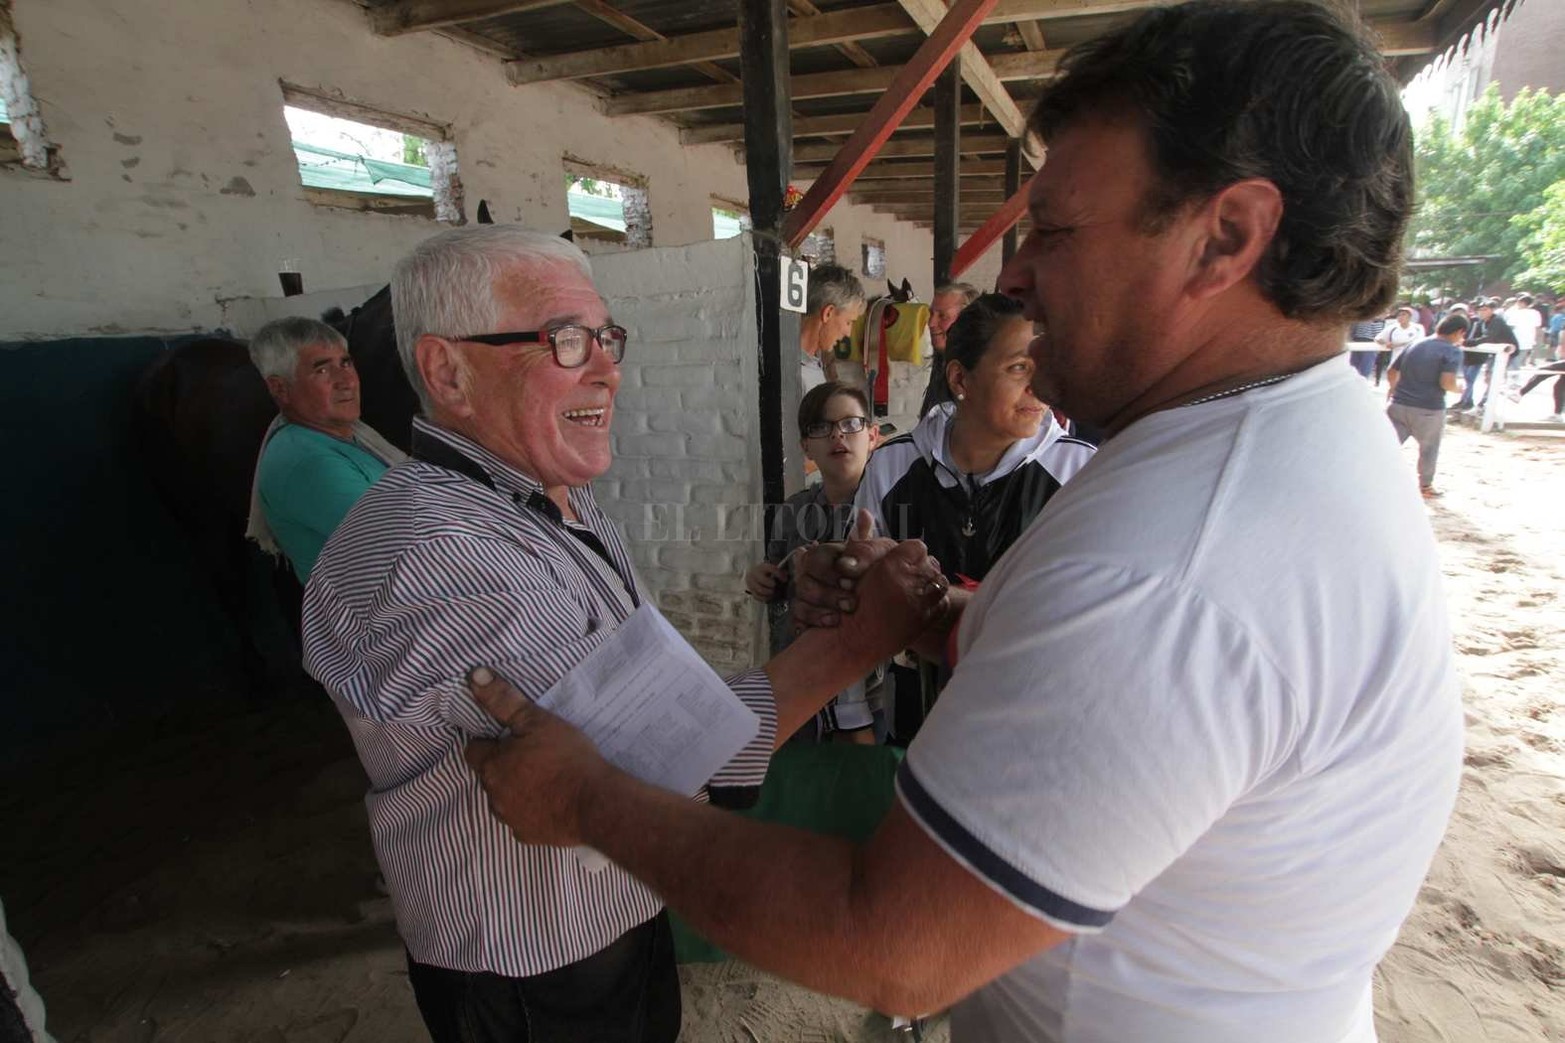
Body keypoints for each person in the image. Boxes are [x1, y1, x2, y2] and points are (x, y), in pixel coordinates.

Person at [461, 4, 1462, 1041]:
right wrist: (954, 619)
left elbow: (891, 943)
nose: (1013, 275)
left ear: (1224, 238)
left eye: (1055, 230)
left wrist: (586, 798)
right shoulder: (1286, 443)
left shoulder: (1168, 569)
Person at [299, 226, 945, 1043]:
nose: (606, 365)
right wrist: (856, 639)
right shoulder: (440, 551)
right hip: (533, 953)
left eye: (607, 337)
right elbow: (670, 756)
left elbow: (650, 689)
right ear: (446, 370)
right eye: (564, 341)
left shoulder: (548, 498)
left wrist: (814, 599)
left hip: (614, 904)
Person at [856, 293, 1095, 741]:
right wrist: (853, 717)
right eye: (1018, 368)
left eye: (1043, 366)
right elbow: (856, 601)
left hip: (1036, 713)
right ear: (960, 377)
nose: (1039, 386)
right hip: (916, 709)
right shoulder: (891, 468)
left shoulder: (1081, 473)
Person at [746, 380, 885, 743]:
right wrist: (761, 580)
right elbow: (776, 577)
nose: (838, 436)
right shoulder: (793, 511)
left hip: (873, 692)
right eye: (822, 428)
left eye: (851, 424)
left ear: (872, 436)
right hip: (800, 684)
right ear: (806, 445)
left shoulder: (889, 506)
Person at [245, 316, 405, 581]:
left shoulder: (349, 438)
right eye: (322, 370)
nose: (347, 381)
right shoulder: (308, 462)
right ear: (280, 388)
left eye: (346, 363)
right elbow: (405, 544)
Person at [1387, 314, 1468, 497]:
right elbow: (1446, 382)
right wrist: (1459, 389)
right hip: (1428, 409)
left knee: (1386, 446)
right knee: (1429, 449)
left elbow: (1391, 371)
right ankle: (1425, 486)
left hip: (1398, 404)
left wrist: (1394, 390)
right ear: (1459, 332)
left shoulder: (1415, 344)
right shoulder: (1452, 351)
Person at [799, 263, 867, 394]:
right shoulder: (791, 373)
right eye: (848, 322)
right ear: (828, 313)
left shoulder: (814, 365)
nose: (848, 333)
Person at [918, 282, 982, 416]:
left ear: (967, 321)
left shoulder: (975, 372)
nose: (931, 323)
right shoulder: (943, 360)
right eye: (931, 314)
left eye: (942, 316)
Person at [1454, 299, 1517, 413]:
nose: (1482, 312)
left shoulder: (1497, 321)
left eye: (1485, 310)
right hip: (1493, 353)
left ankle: (1484, 404)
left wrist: (1467, 342)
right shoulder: (1482, 322)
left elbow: (1488, 337)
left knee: (1493, 378)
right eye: (1480, 310)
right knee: (1487, 378)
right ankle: (1473, 402)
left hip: (1506, 352)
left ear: (1492, 310)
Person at [1373, 305, 1424, 383]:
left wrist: (1398, 344)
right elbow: (1378, 338)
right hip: (1395, 360)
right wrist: (1387, 343)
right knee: (1394, 383)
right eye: (1399, 314)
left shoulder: (1418, 328)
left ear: (1410, 317)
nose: (1401, 317)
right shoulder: (1393, 327)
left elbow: (1418, 342)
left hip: (1412, 360)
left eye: (1404, 314)